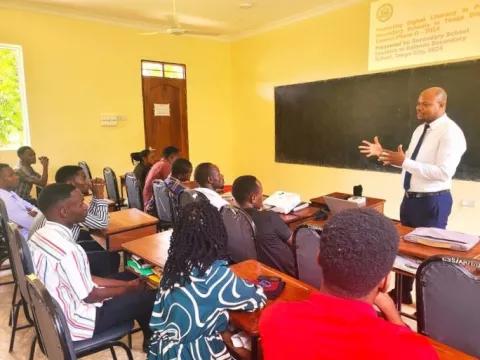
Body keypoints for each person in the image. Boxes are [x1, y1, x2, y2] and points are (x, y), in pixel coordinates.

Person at [260, 208, 438, 359]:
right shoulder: (414, 352)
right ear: (385, 281)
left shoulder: (275, 318)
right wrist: (391, 312)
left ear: (318, 259)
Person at [359, 87, 466, 304]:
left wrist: (405, 162)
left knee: (428, 256)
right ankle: (403, 294)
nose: (419, 107)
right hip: (410, 200)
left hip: (432, 201)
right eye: (419, 103)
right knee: (404, 250)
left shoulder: (450, 133)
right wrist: (385, 153)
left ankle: (429, 306)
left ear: (441, 105)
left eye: (426, 104)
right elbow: (411, 160)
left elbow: (443, 172)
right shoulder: (420, 130)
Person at [28, 183, 155, 349]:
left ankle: (147, 334)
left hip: (57, 313)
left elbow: (86, 279)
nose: (86, 207)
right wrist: (129, 290)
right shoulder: (69, 250)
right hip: (77, 323)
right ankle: (151, 341)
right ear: (64, 212)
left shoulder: (39, 236)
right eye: (81, 204)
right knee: (149, 294)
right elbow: (91, 295)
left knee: (132, 277)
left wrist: (127, 284)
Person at [148, 201, 266, 359]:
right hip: (194, 353)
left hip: (161, 350)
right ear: (218, 233)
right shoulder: (216, 275)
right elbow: (256, 299)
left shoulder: (174, 267)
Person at [29, 165, 118, 276]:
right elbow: (101, 223)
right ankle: (103, 285)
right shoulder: (69, 206)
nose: (88, 181)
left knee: (93, 240)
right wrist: (99, 195)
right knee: (111, 257)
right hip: (53, 263)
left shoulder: (58, 197)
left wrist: (95, 196)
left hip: (47, 254)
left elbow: (93, 218)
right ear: (71, 183)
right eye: (83, 177)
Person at [232, 175, 295, 276]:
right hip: (283, 276)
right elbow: (295, 242)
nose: (263, 198)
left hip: (252, 273)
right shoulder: (268, 217)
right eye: (261, 194)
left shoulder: (231, 219)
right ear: (253, 198)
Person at [0, 163, 39, 239]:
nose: (17, 177)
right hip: (27, 242)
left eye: (15, 174)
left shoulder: (10, 192)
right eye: (11, 175)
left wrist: (34, 213)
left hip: (31, 235)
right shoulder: (4, 199)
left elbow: (31, 207)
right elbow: (32, 224)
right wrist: (33, 214)